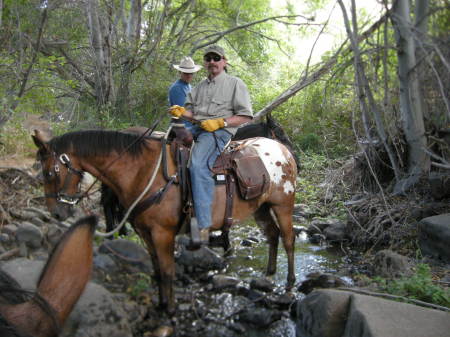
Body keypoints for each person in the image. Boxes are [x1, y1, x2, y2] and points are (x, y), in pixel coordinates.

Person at [169, 45, 253, 243]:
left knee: (198, 166)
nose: (212, 62)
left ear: (224, 61)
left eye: (216, 58)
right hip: (197, 128)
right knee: (167, 147)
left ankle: (204, 226)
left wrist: (221, 122)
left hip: (219, 132)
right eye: (208, 59)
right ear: (205, 63)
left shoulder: (235, 83)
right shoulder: (198, 87)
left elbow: (246, 116)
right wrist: (181, 112)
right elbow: (192, 115)